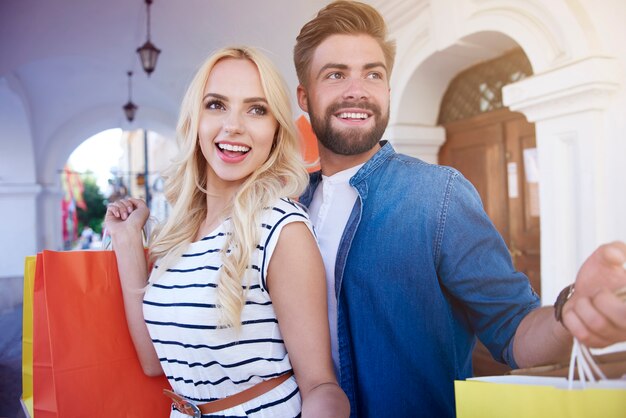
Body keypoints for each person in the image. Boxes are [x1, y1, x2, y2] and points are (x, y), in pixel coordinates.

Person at [292, 2, 626, 417]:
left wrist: (569, 314)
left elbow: (513, 329)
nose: (357, 89)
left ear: (388, 90)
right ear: (305, 96)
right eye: (336, 74)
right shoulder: (291, 210)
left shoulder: (437, 194)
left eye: (373, 74)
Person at [105, 46, 349, 417]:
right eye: (217, 105)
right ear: (195, 120)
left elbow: (320, 385)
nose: (233, 125)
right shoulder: (179, 235)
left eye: (256, 109)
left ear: (275, 130)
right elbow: (155, 362)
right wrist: (127, 242)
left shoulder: (281, 228)